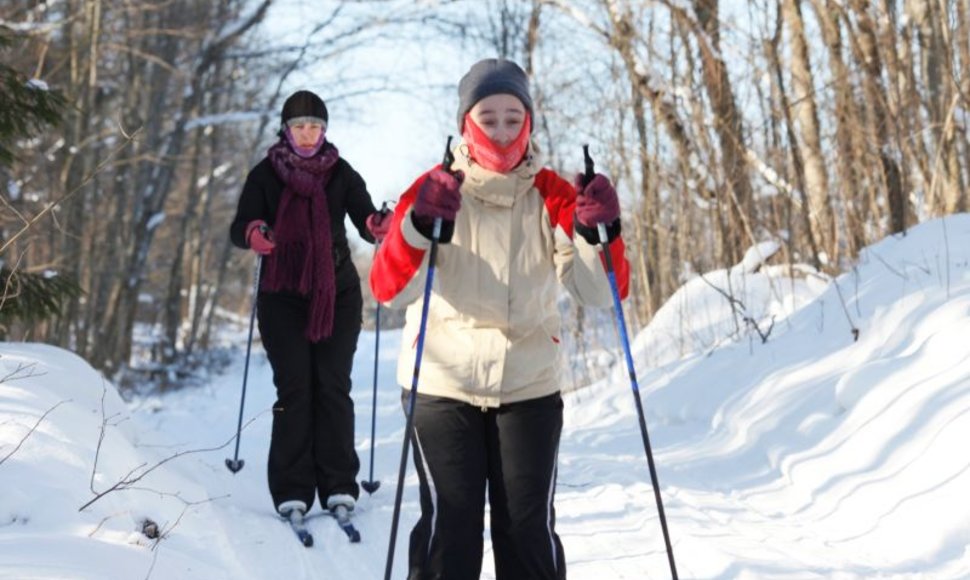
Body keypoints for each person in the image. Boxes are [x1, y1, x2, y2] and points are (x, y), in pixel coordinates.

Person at [370, 59, 630, 579]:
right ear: (467, 120)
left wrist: (601, 231)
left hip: (528, 386)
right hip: (442, 385)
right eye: (489, 117)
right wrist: (421, 225)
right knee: (452, 526)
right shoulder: (433, 190)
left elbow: (601, 295)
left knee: (526, 528)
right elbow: (389, 291)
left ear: (529, 121)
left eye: (514, 117)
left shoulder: (555, 194)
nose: (503, 130)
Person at [229, 90, 392, 521]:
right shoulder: (266, 175)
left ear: (325, 130)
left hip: (335, 295)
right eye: (300, 126)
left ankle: (340, 485)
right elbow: (240, 226)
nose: (307, 134)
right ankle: (292, 489)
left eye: (315, 126)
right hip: (282, 298)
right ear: (286, 130)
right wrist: (253, 233)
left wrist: (377, 224)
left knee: (333, 388)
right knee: (296, 388)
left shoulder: (340, 173)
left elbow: (365, 219)